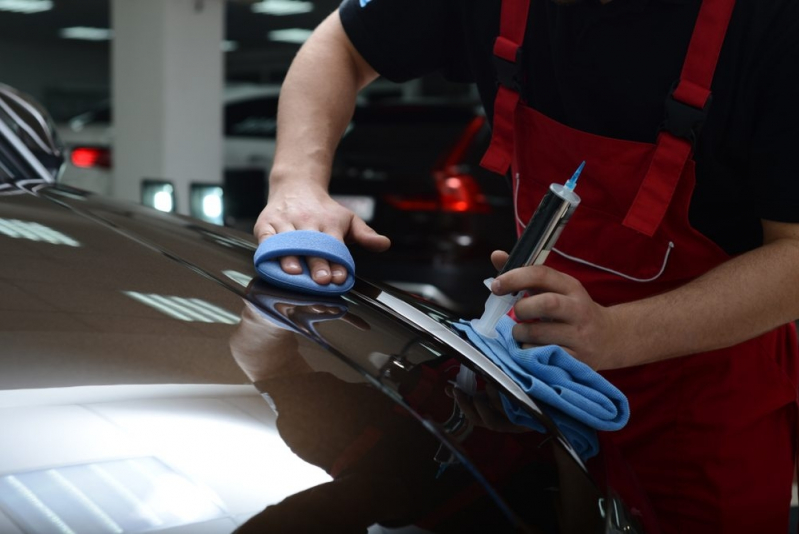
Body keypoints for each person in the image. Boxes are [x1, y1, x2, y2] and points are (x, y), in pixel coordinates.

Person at [253, 0, 799, 532]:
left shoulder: (773, 23)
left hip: (701, 415)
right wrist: (296, 181)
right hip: (521, 385)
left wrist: (617, 333)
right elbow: (341, 45)